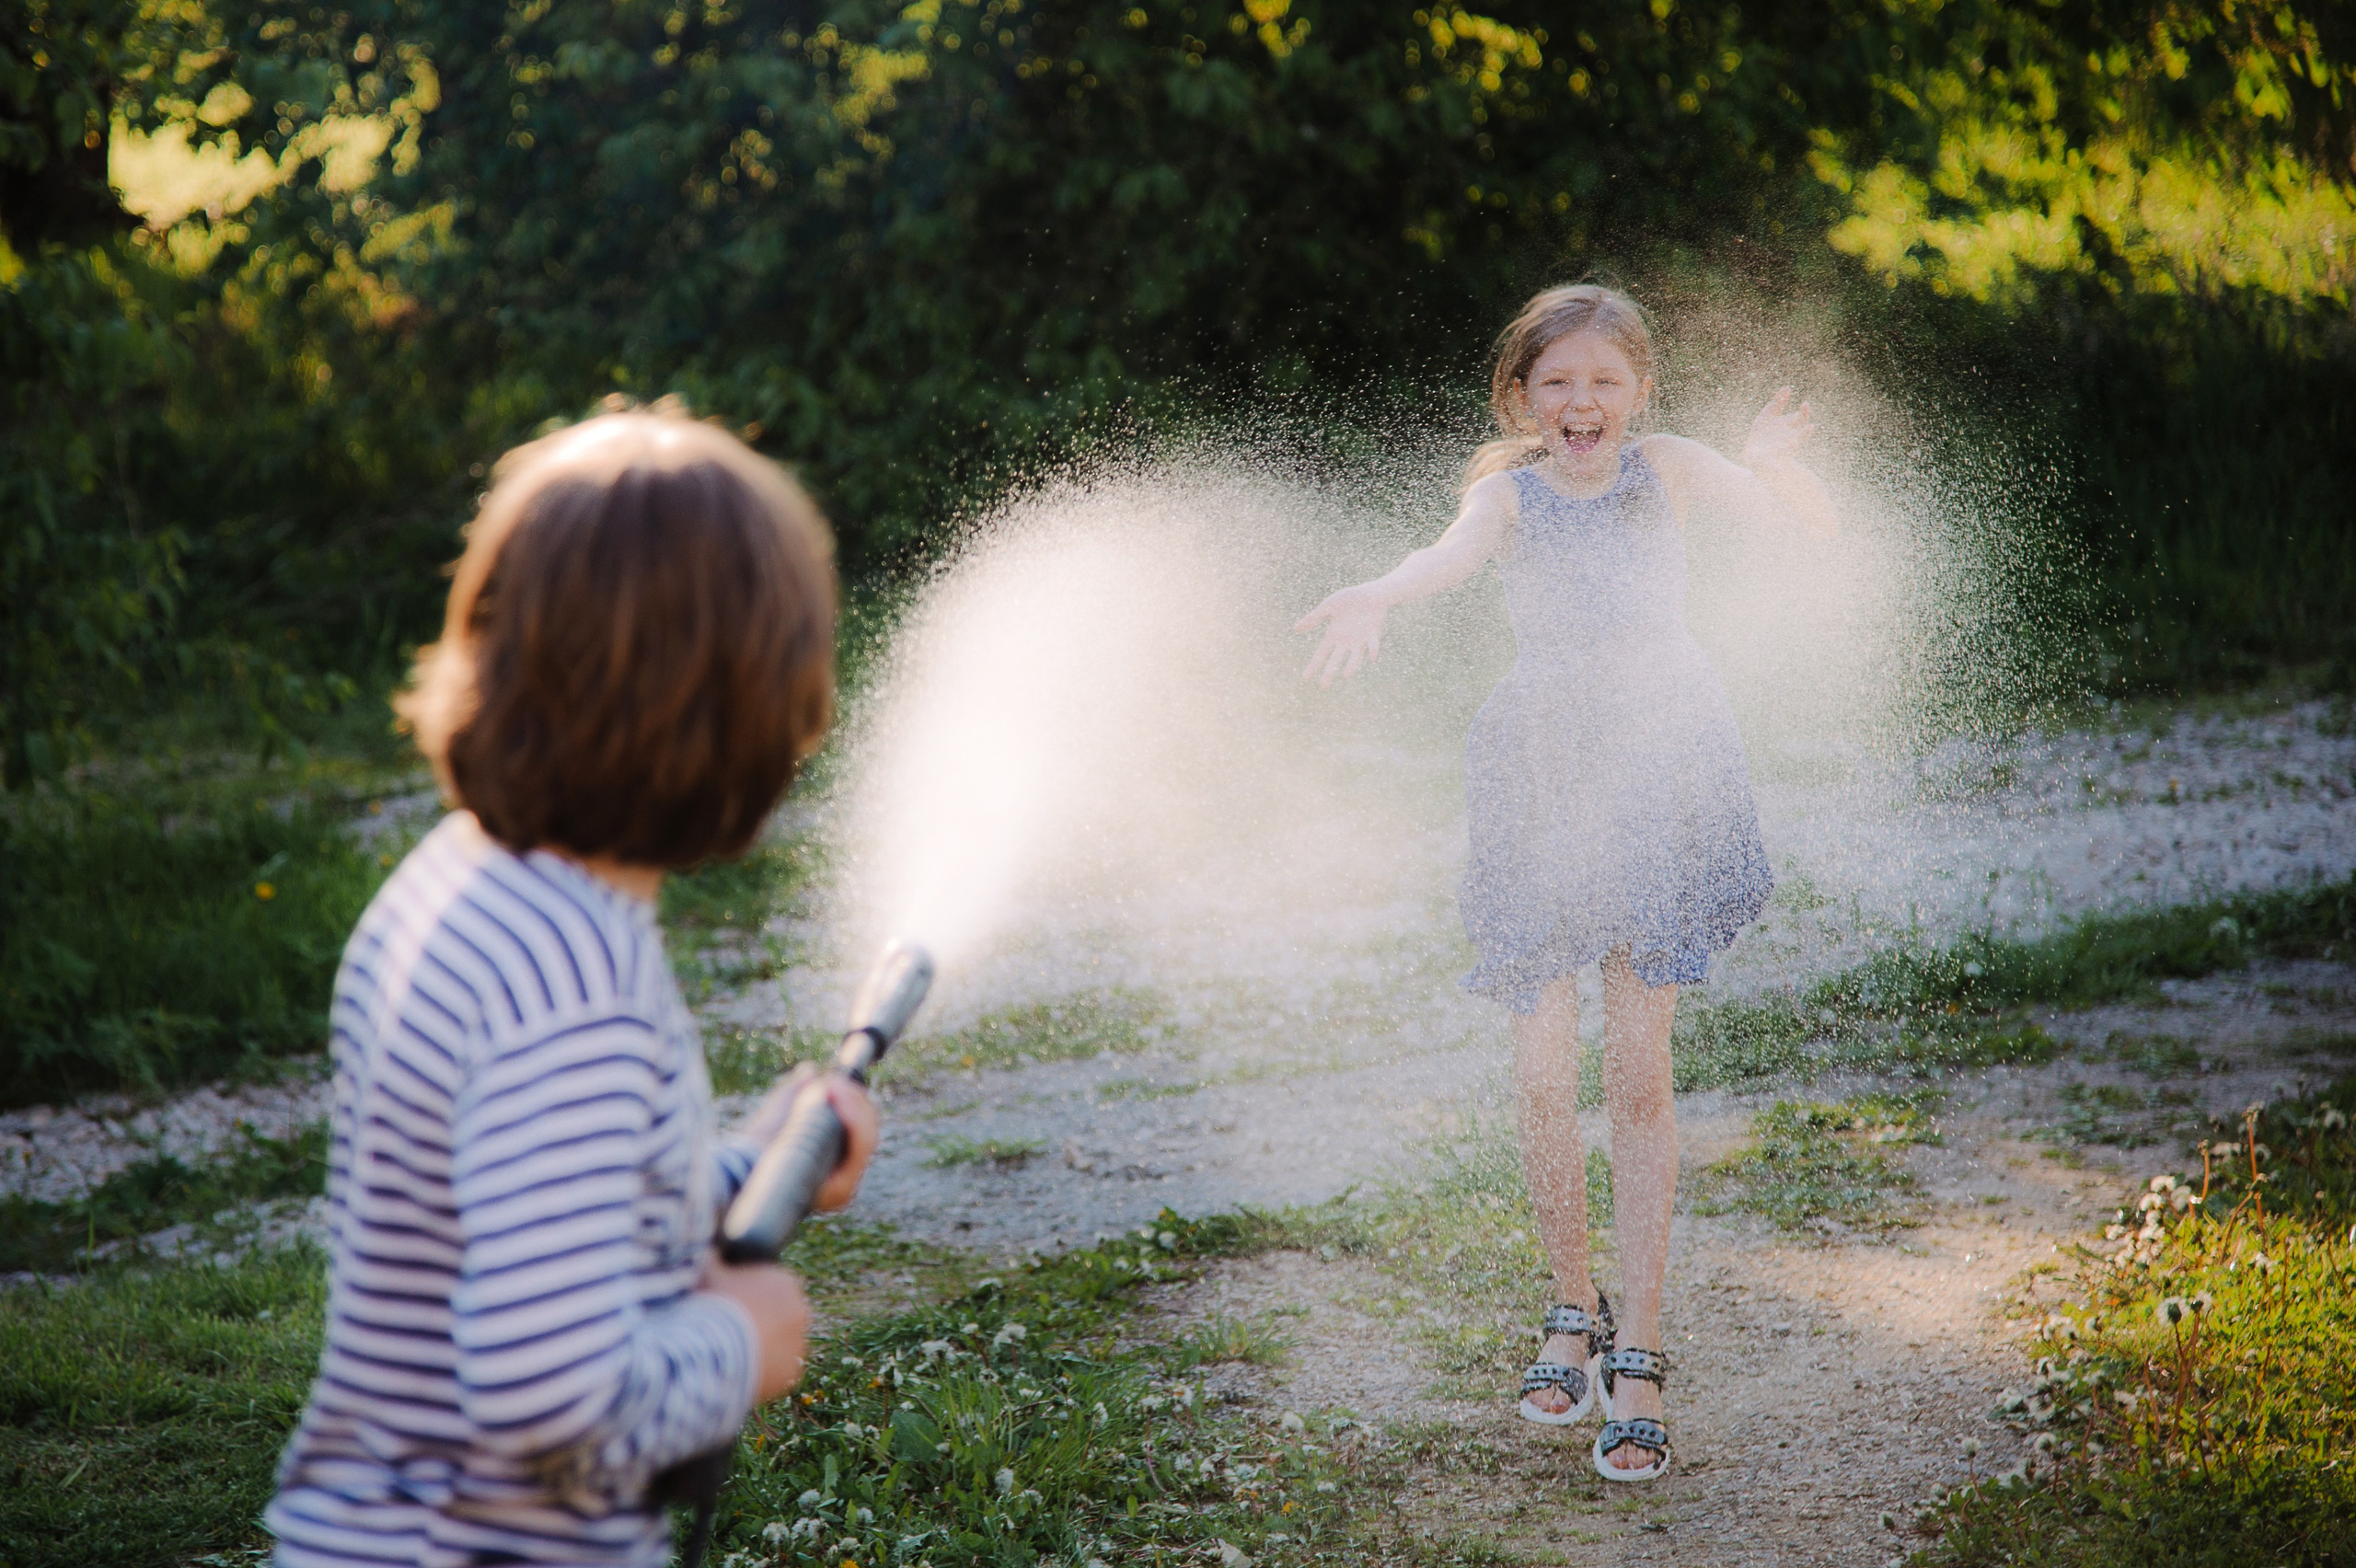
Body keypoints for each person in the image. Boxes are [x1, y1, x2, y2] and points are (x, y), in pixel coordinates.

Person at [267, 408, 879, 1565]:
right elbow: (551, 1404)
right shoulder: (576, 986)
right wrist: (742, 1344)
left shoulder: (462, 886)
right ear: (749, 715)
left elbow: (544, 1201)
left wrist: (752, 1168)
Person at [1295, 284, 1836, 1482]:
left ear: (1639, 390)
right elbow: (1447, 556)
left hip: (1661, 769)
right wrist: (1383, 591)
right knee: (1542, 1075)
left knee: (1639, 1073)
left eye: (1603, 381)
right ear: (1521, 398)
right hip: (1540, 782)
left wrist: (1768, 467)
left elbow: (1803, 529)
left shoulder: (1673, 470)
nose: (1581, 402)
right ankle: (1572, 1309)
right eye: (1556, 384)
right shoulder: (1509, 494)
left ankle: (1640, 1342)